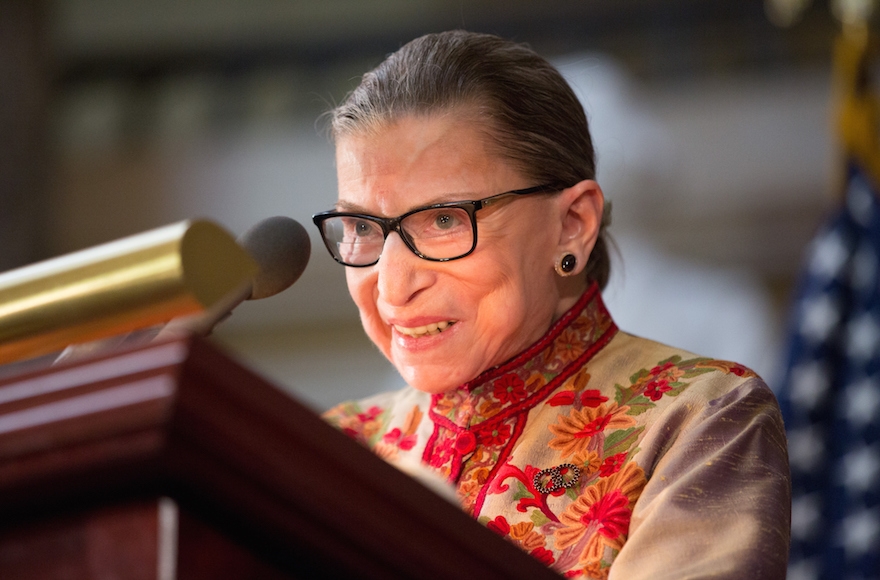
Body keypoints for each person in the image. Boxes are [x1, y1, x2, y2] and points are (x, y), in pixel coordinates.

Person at [313, 30, 790, 579]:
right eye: (361, 226)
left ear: (572, 225)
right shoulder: (336, 446)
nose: (392, 286)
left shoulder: (697, 420)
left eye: (444, 220)